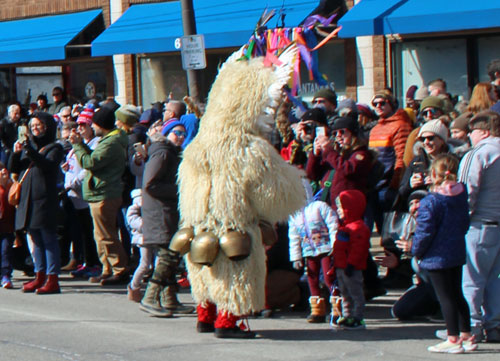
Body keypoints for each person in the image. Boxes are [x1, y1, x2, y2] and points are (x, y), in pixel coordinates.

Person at [411, 154, 476, 354]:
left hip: (436, 255)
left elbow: (424, 231)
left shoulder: (431, 201)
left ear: (433, 174)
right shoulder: (460, 197)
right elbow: (465, 224)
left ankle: (453, 338)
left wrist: (416, 251)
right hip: (456, 251)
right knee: (457, 294)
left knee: (445, 297)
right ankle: (467, 334)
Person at [69, 106, 129, 286]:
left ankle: (119, 270)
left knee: (107, 235)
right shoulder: (106, 141)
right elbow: (93, 157)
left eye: (94, 124)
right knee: (99, 235)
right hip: (98, 193)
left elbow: (90, 162)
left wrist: (78, 145)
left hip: (105, 193)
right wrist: (82, 145)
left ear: (102, 124)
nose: (92, 128)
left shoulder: (111, 143)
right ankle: (107, 268)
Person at [139, 120, 194, 316]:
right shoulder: (162, 152)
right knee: (168, 256)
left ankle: (169, 298)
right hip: (160, 213)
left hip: (167, 212)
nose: (179, 137)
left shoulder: (171, 152)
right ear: (167, 133)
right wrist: (180, 191)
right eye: (175, 132)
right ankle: (150, 296)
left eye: (182, 133)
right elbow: (150, 184)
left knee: (172, 253)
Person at [9, 112, 64, 294]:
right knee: (35, 239)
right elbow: (14, 168)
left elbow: (47, 165)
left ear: (47, 127)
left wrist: (30, 151)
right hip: (28, 200)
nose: (35, 129)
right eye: (32, 126)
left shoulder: (54, 148)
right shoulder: (30, 147)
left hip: (44, 200)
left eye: (38, 125)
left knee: (48, 239)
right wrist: (16, 153)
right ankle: (39, 275)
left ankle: (52, 278)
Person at [458, 110, 500, 343]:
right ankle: (494, 326)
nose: (469, 136)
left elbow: (466, 191)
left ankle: (471, 326)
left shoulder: (478, 153)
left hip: (479, 224)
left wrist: (458, 221)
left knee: (471, 278)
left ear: (483, 131)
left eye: (472, 132)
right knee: (496, 279)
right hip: (498, 225)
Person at [288, 182, 338, 323]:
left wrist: (335, 244)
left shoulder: (319, 207)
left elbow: (333, 224)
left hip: (326, 249)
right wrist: (296, 257)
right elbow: (293, 237)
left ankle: (337, 308)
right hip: (308, 252)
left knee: (329, 277)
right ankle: (317, 310)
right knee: (312, 278)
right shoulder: (294, 215)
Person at [62, 106, 101, 279]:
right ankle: (85, 261)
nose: (80, 129)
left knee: (90, 231)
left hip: (85, 194)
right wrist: (65, 170)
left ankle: (94, 263)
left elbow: (88, 167)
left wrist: (75, 182)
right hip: (74, 196)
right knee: (82, 231)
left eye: (84, 125)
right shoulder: (78, 144)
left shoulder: (95, 143)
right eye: (79, 125)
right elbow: (73, 163)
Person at [367, 90, 412, 231]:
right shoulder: (375, 129)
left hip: (390, 187)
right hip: (375, 185)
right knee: (382, 229)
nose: (378, 106)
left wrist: (395, 184)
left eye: (382, 103)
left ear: (391, 105)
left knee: (392, 231)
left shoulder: (401, 125)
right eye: (375, 104)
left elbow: (402, 157)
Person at [332, 189, 371, 329]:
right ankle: (348, 316)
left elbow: (358, 249)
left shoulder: (358, 228)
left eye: (341, 208)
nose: (339, 211)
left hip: (351, 268)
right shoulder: (345, 227)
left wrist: (351, 264)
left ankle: (358, 317)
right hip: (341, 266)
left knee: (355, 293)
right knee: (345, 293)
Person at [399, 119, 450, 207]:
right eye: (422, 139)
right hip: (420, 211)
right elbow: (401, 193)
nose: (426, 142)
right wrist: (410, 185)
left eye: (430, 138)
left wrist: (438, 182)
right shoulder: (416, 161)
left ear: (442, 140)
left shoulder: (452, 161)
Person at [126, 188, 147, 302]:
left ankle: (153, 290)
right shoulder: (134, 209)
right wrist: (146, 225)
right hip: (142, 239)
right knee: (145, 264)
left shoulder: (149, 206)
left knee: (155, 264)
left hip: (152, 237)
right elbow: (133, 221)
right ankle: (134, 287)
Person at [0, 163, 15, 289]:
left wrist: (5, 183)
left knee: (5, 251)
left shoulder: (10, 186)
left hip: (7, 227)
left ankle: (6, 275)